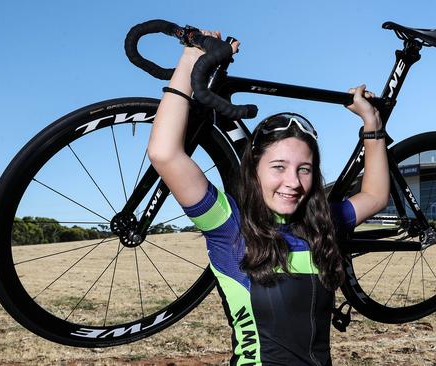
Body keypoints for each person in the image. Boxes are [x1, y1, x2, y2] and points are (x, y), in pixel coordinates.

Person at [148, 30, 389, 366]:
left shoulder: (322, 224)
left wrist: (372, 124)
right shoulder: (228, 226)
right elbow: (164, 154)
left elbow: (375, 196)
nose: (292, 182)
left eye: (304, 169)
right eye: (278, 166)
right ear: (254, 169)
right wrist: (192, 57)